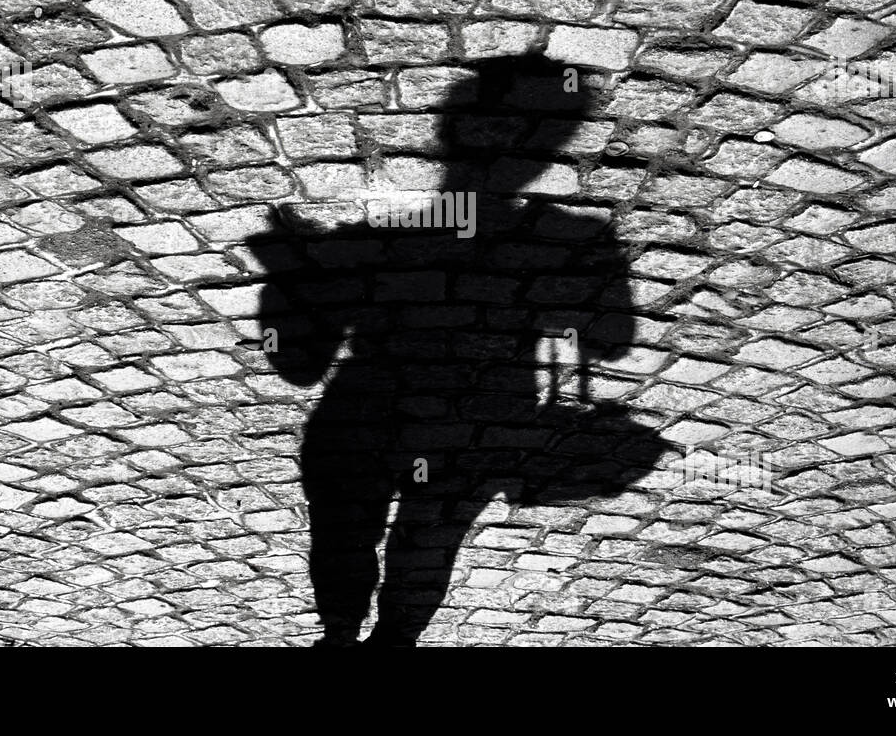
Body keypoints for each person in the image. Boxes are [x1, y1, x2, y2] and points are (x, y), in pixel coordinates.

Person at [245, 54, 667, 646]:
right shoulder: (574, 239)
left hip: (364, 411)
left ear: (442, 135)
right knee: (431, 532)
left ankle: (340, 635)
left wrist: (287, 276)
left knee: (345, 531)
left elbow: (298, 366)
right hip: (482, 413)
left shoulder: (368, 240)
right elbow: (613, 343)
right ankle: (393, 640)